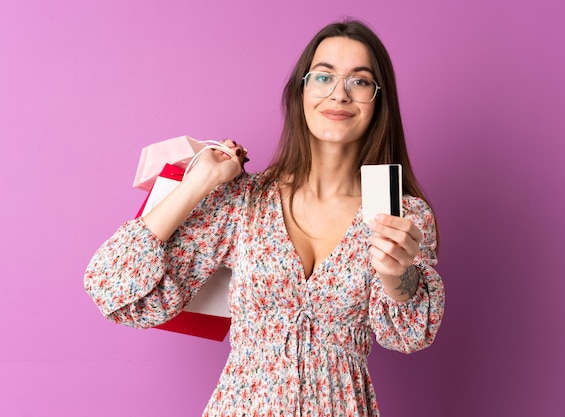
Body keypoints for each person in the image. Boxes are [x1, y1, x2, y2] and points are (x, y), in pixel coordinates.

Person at [84, 19, 444, 417]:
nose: (339, 94)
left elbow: (408, 335)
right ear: (301, 91)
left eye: (359, 81)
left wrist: (398, 274)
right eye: (323, 76)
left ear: (378, 100)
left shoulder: (400, 213)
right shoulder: (245, 201)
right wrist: (196, 186)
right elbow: (113, 290)